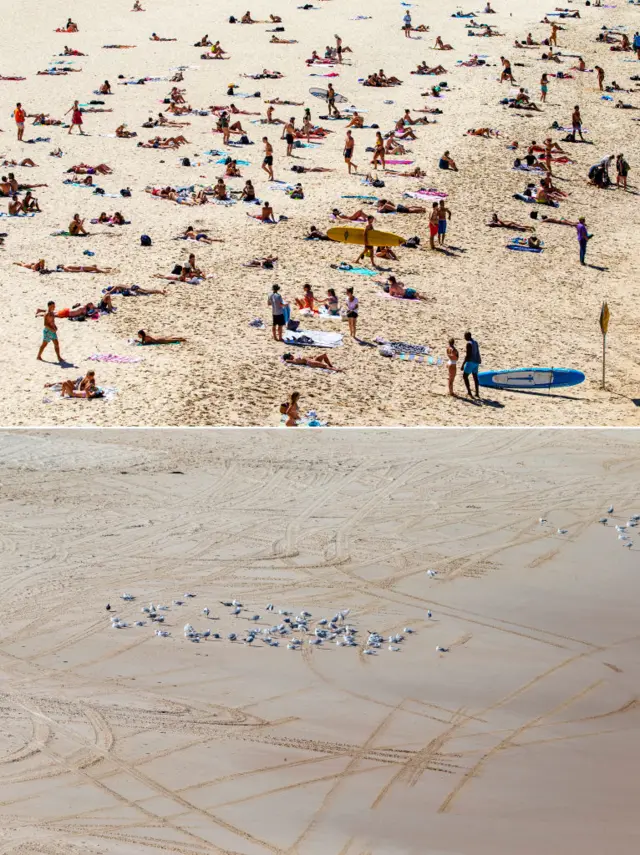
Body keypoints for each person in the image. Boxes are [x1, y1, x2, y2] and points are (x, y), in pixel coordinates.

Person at [462, 331, 481, 398]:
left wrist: (463, 364)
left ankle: (469, 392)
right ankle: (477, 393)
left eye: (465, 336)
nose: (464, 338)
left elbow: (468, 355)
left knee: (465, 376)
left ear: (467, 337)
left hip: (471, 362)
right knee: (475, 377)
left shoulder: (468, 344)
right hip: (476, 362)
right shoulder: (475, 342)